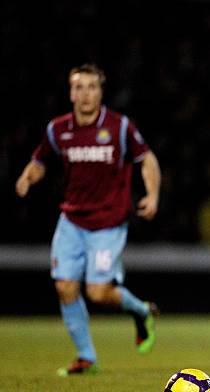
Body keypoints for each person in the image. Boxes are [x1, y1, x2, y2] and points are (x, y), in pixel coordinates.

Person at [15, 63, 161, 376]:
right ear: (70, 92)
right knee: (65, 288)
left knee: (97, 292)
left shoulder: (119, 127)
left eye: (91, 87)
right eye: (79, 87)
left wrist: (152, 194)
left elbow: (146, 159)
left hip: (108, 223)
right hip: (71, 221)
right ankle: (86, 357)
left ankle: (140, 311)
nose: (85, 94)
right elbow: (39, 160)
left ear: (100, 91)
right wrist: (28, 177)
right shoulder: (58, 129)